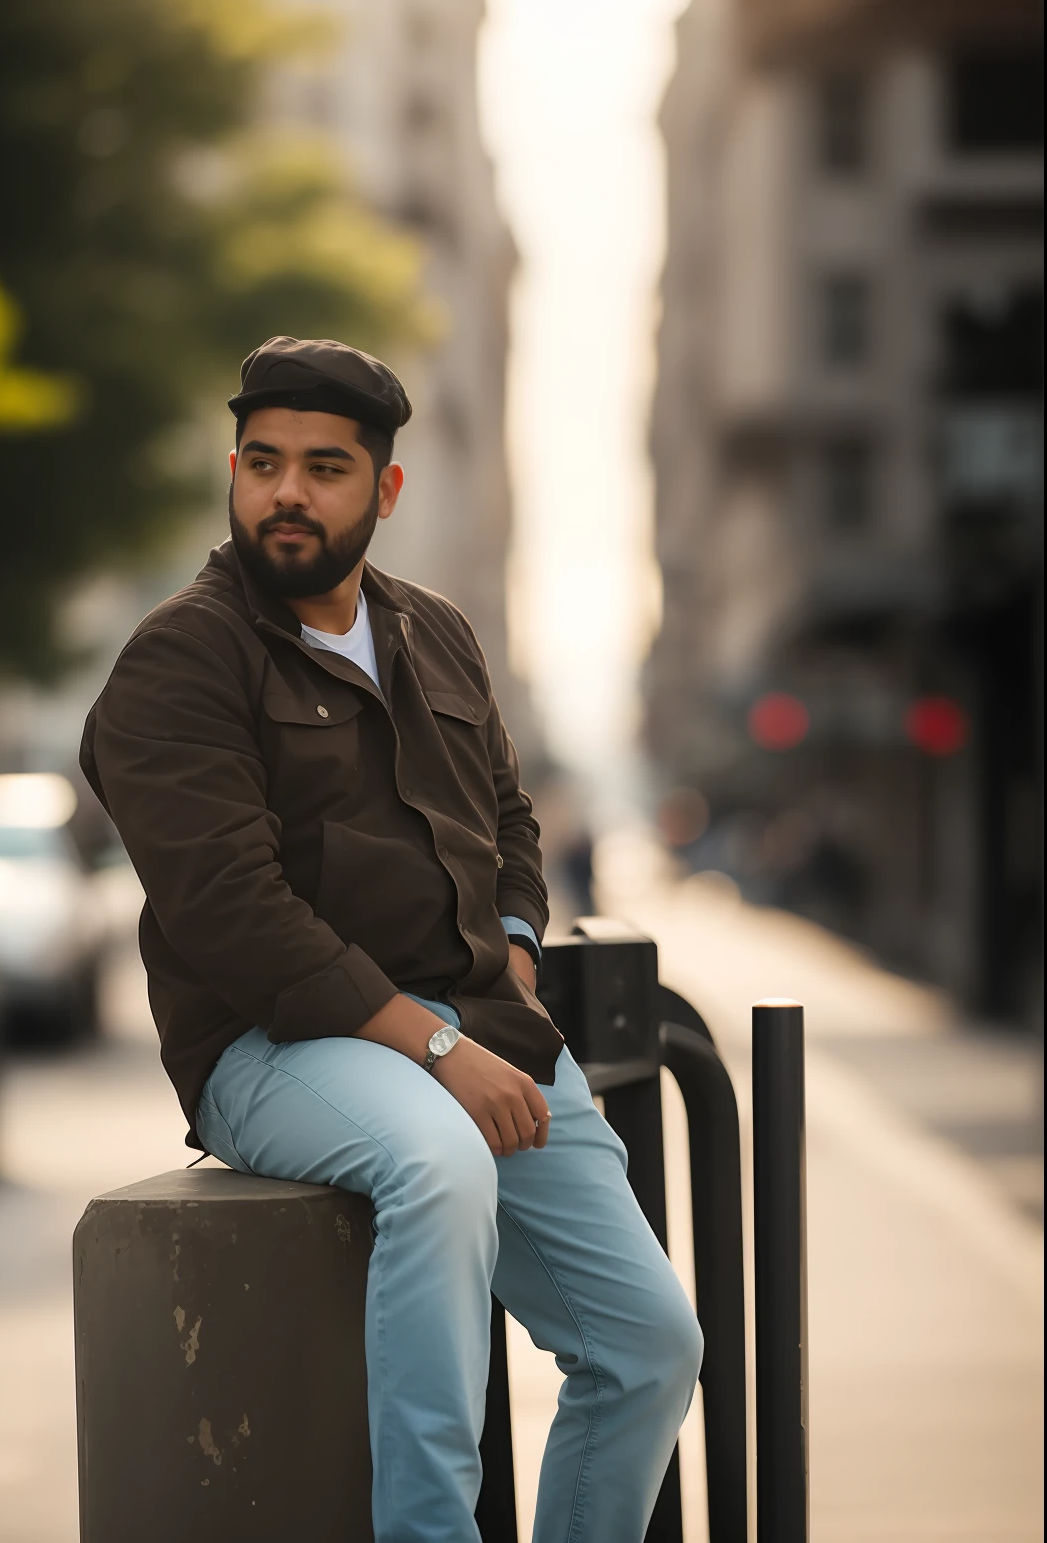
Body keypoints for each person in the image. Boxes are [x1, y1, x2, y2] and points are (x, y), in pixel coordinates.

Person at [81, 337, 701, 1543]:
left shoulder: (436, 634)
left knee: (646, 1345)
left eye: (323, 467)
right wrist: (431, 1043)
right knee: (437, 1160)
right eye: (263, 463)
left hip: (482, 1023)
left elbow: (512, 818)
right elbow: (233, 915)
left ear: (386, 488)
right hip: (275, 1041)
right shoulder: (182, 655)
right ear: (235, 469)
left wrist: (515, 949)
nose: (287, 494)